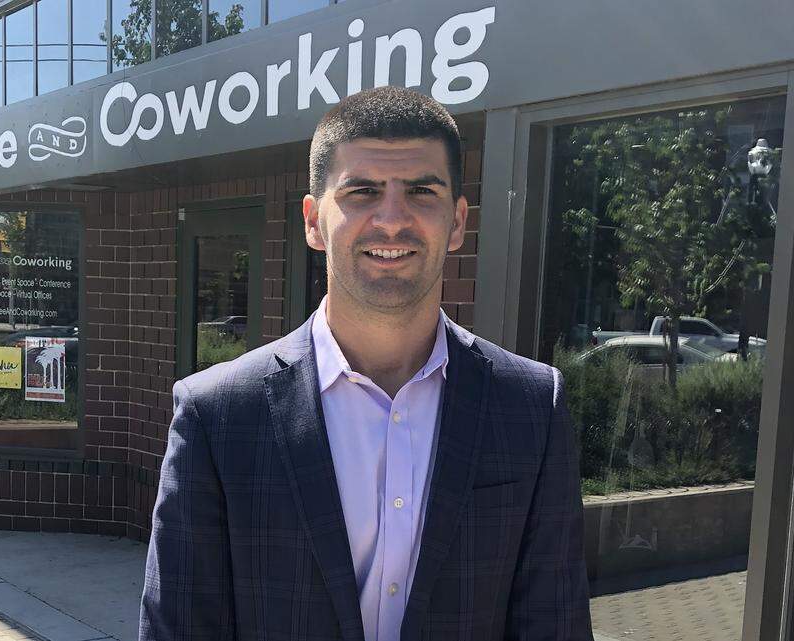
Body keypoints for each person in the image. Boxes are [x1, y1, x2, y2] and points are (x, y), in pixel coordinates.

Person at [139, 86, 592, 641]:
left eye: (422, 191)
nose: (392, 219)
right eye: (362, 191)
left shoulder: (530, 408)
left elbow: (554, 625)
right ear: (313, 221)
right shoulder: (217, 416)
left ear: (457, 222)